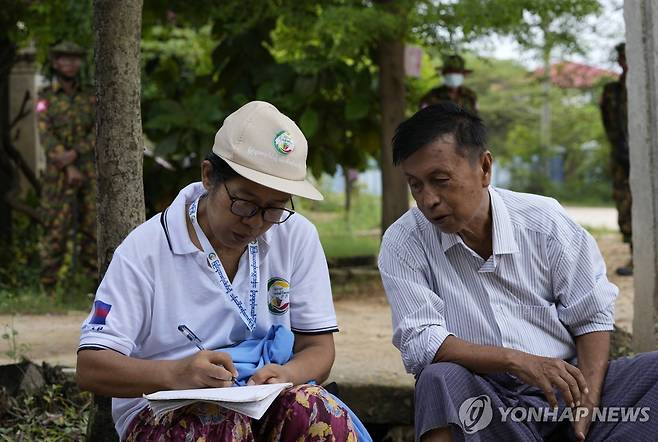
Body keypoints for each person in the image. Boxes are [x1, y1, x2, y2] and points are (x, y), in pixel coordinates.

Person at [77, 101, 363, 441]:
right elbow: (91, 367)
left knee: (314, 409)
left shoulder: (296, 235)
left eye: (273, 209)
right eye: (243, 203)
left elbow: (318, 347)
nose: (256, 223)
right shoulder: (146, 248)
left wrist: (286, 373)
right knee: (217, 422)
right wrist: (176, 373)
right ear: (209, 176)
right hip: (165, 410)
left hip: (263, 400)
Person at [378, 103, 658, 442]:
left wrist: (587, 404)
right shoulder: (404, 242)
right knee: (438, 380)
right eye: (415, 185)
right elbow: (421, 340)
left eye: (440, 180)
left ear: (484, 168)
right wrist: (515, 360)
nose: (428, 200)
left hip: (565, 387)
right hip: (484, 398)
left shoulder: (544, 222)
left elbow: (591, 315)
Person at [36, 41, 97, 292]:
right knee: (54, 229)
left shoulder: (91, 96)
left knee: (93, 227)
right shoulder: (45, 99)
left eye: (74, 59)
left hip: (90, 173)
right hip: (57, 176)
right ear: (55, 63)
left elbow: (99, 129)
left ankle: (96, 287)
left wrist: (75, 153)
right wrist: (67, 163)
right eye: (64, 58)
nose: (69, 63)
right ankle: (47, 289)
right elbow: (44, 134)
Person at [600, 42, 632, 276]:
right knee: (625, 203)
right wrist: (619, 147)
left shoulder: (646, 85)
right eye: (622, 58)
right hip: (621, 155)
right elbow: (608, 123)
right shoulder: (612, 91)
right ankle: (635, 254)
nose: (625, 62)